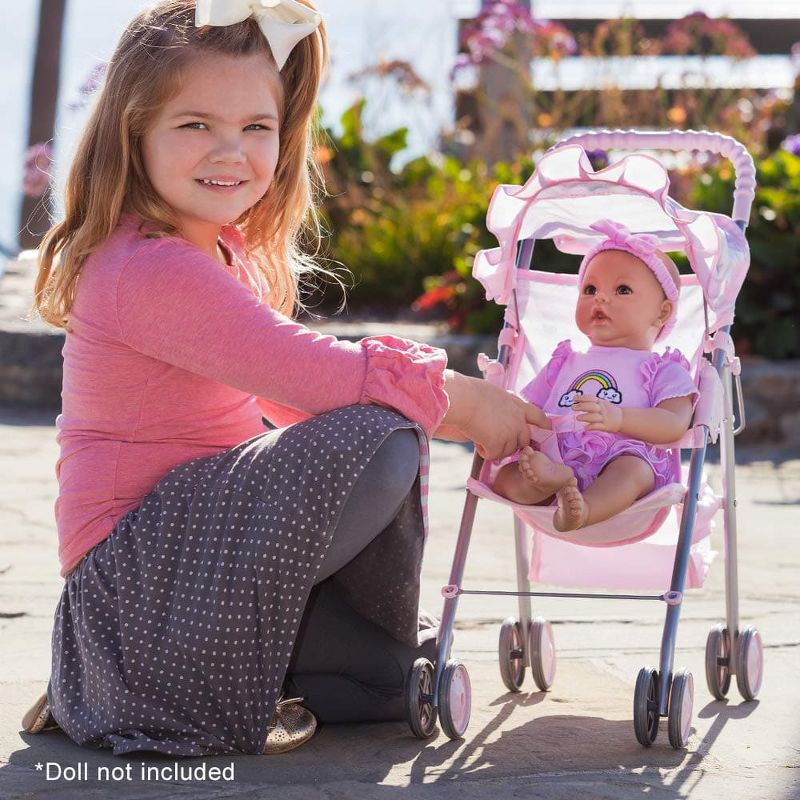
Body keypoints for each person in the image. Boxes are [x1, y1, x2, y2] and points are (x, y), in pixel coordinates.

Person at [22, 0, 545, 757]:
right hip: (139, 582)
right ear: (133, 135)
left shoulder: (214, 252)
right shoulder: (151, 266)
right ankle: (133, 678)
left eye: (256, 128)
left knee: (381, 683)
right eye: (196, 125)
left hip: (190, 569)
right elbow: (319, 377)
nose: (229, 152)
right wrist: (468, 405)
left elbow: (285, 392)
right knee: (377, 438)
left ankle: (189, 681)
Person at [492, 220, 697, 532]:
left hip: (621, 457)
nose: (600, 298)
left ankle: (585, 509)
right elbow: (529, 408)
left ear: (663, 312)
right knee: (504, 477)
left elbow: (674, 424)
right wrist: (510, 419)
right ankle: (543, 486)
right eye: (590, 289)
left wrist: (619, 419)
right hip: (556, 456)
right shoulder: (564, 361)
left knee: (633, 471)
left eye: (622, 290)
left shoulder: (664, 368)